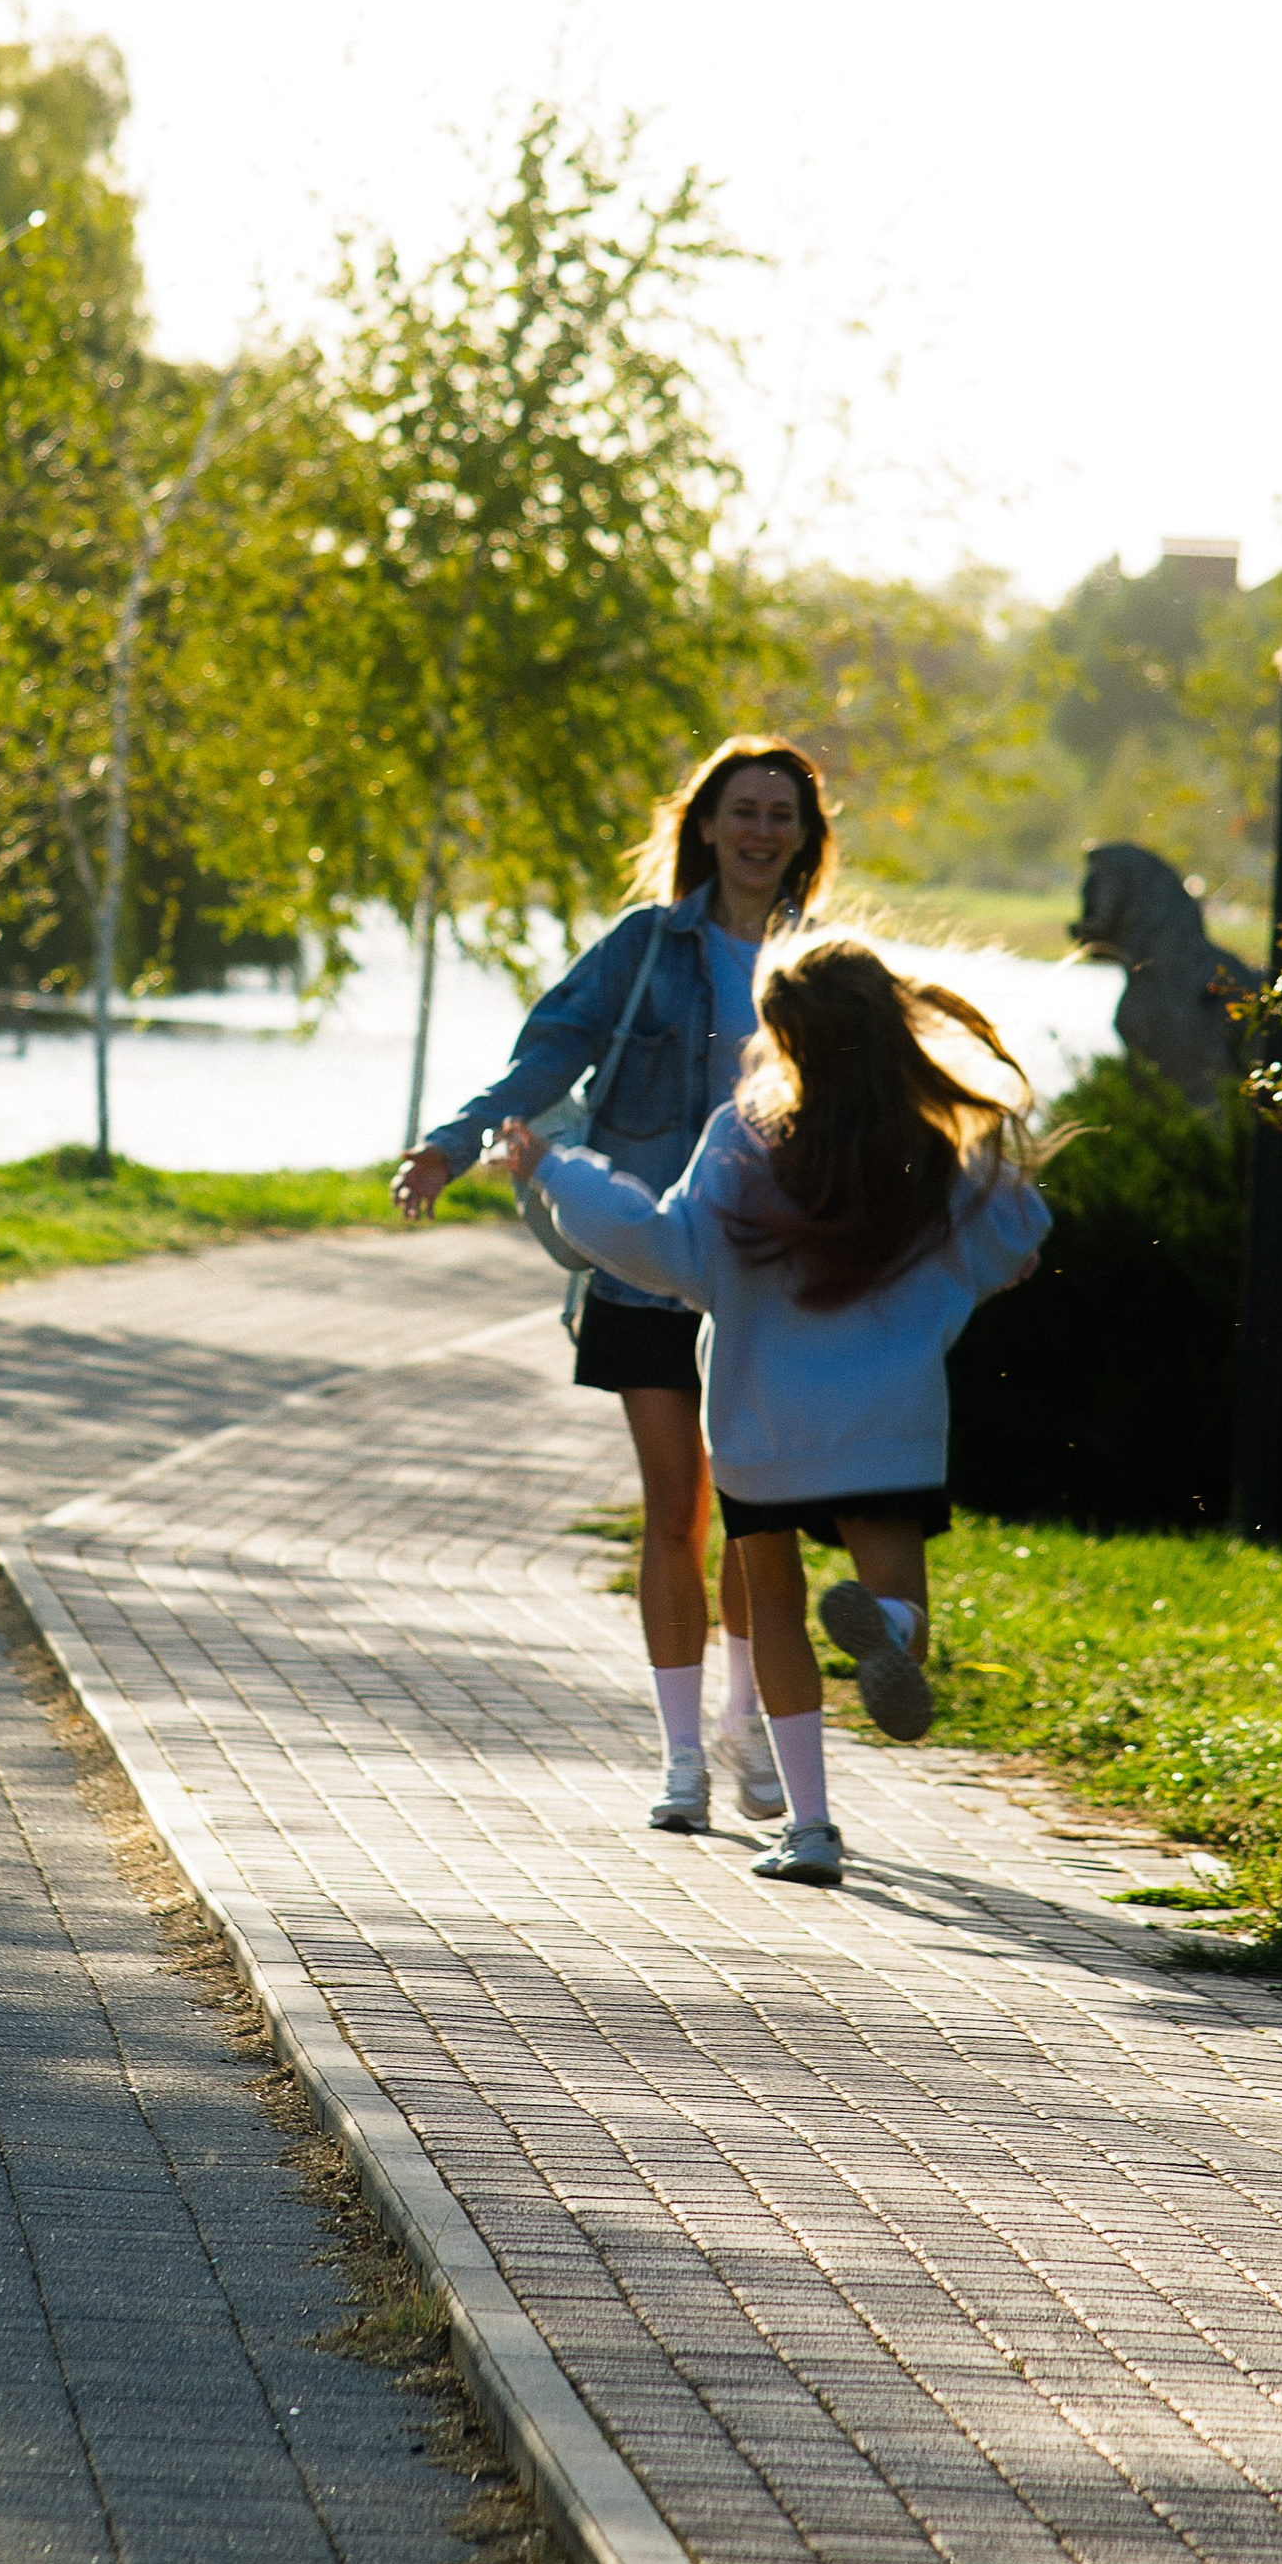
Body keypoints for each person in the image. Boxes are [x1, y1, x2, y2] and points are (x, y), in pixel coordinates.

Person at [493, 935, 1050, 1884]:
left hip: (762, 1426)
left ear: (782, 1036)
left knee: (776, 1609)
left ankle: (813, 1829)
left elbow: (665, 1249)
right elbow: (1018, 1239)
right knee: (899, 1593)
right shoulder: (930, 1149)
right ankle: (893, 1631)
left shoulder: (742, 1139)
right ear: (888, 1029)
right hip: (891, 1424)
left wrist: (559, 1169)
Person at [392, 738, 835, 1827]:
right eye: (743, 809)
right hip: (643, 1267)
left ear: (803, 837)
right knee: (674, 1508)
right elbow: (547, 1054)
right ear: (706, 823)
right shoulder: (647, 945)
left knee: (756, 1519)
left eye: (781, 813)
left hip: (761, 1278)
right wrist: (448, 1147)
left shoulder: (825, 964)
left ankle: (748, 1721)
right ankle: (682, 1760)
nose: (760, 830)